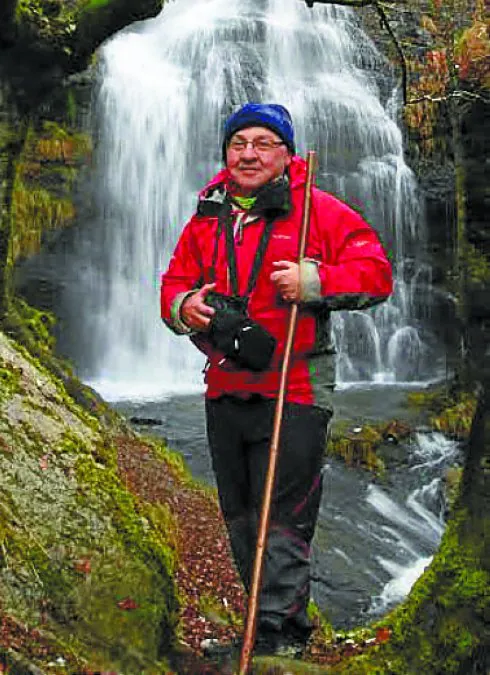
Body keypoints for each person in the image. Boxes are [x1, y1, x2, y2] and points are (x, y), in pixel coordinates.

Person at [160, 103, 393, 658]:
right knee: (240, 515)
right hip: (225, 385)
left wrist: (314, 279)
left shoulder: (319, 213)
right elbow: (173, 283)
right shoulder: (207, 217)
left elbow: (376, 274)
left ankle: (280, 637)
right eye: (239, 143)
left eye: (264, 143)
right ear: (225, 153)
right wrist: (183, 305)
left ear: (286, 155)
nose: (249, 153)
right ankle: (262, 625)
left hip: (297, 388)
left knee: (284, 517)